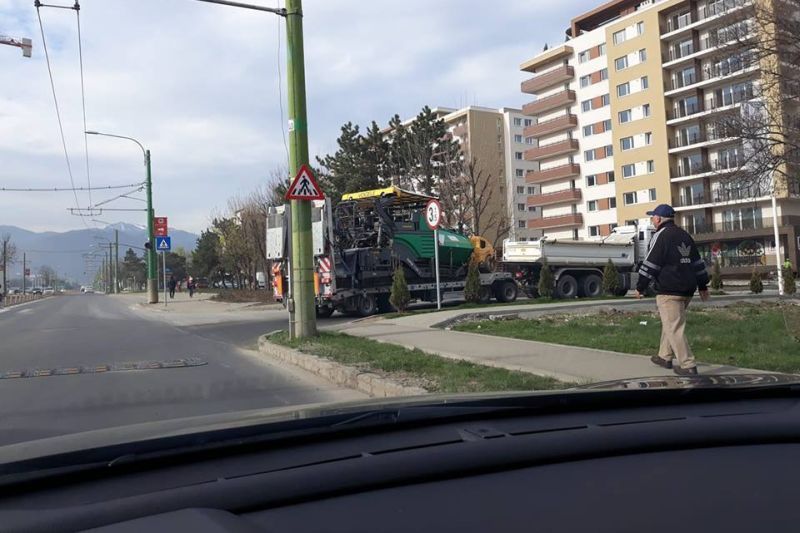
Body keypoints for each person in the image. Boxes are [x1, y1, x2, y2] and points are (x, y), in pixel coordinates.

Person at [636, 204, 710, 376]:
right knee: (670, 323)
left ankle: (688, 365)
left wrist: (640, 286)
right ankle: (664, 356)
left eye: (652, 217)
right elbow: (697, 263)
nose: (652, 220)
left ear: (659, 219)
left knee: (674, 327)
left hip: (669, 289)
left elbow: (651, 263)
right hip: (687, 289)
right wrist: (703, 286)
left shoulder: (661, 236)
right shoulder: (685, 235)